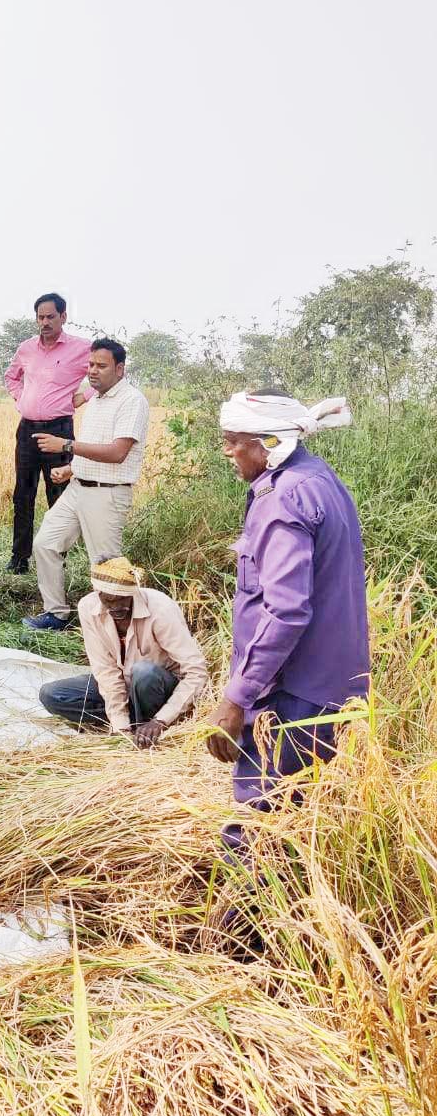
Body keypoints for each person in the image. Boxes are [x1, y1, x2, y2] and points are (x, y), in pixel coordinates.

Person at [206, 390, 369, 855]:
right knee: (303, 823)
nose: (227, 451)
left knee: (259, 828)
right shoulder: (319, 479)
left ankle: (238, 927)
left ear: (269, 442)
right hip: (329, 688)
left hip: (293, 698)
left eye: (234, 441)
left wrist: (237, 697)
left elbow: (286, 610)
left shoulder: (282, 502)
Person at [23, 338, 149, 631]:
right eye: (90, 365)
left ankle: (121, 631)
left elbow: (118, 452)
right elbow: (94, 447)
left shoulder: (132, 401)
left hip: (107, 494)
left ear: (120, 369)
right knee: (46, 544)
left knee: (107, 567)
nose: (93, 371)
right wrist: (71, 469)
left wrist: (66, 444)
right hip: (78, 487)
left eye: (101, 366)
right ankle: (56, 614)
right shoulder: (96, 399)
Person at [39, 557, 209, 746]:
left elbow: (197, 671)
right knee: (52, 694)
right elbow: (106, 672)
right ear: (98, 593)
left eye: (121, 599)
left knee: (144, 671)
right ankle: (134, 724)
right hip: (124, 686)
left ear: (132, 593)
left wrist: (160, 720)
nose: (116, 607)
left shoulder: (160, 608)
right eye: (108, 601)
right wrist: (120, 725)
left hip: (158, 688)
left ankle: (151, 724)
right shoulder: (88, 607)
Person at [3, 293, 93, 574]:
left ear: (63, 317)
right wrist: (22, 398)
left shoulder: (81, 348)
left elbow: (109, 370)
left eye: (50, 317)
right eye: (40, 317)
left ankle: (58, 557)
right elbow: (11, 377)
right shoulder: (26, 348)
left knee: (59, 494)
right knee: (23, 495)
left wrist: (84, 396)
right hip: (27, 430)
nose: (44, 322)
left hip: (59, 429)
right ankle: (19, 558)